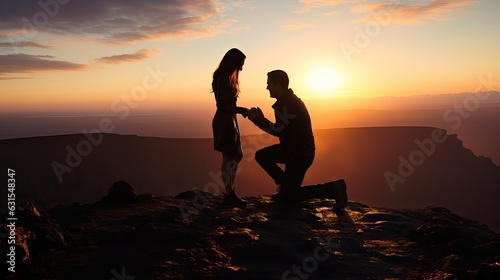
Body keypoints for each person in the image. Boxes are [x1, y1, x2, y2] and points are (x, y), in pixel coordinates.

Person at [247, 70, 348, 210]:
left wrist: (258, 120)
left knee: (290, 197)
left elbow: (278, 130)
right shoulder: (287, 101)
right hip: (293, 151)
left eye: (269, 84)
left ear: (278, 85)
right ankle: (285, 186)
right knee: (262, 156)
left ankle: (332, 188)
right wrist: (261, 119)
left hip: (299, 155)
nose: (267, 87)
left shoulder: (288, 104)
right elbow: (282, 128)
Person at [211, 48, 249, 208]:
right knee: (229, 157)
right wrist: (242, 110)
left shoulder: (227, 77)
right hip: (224, 121)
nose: (241, 68)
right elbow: (222, 105)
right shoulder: (222, 78)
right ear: (233, 62)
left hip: (230, 120)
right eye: (240, 64)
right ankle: (229, 194)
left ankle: (229, 192)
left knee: (236, 155)